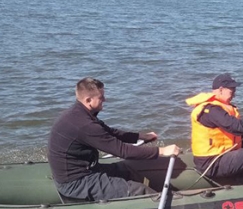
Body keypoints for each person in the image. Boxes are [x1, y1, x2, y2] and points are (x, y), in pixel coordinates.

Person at [48, 77, 181, 201]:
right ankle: (165, 204)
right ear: (88, 100)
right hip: (75, 182)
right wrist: (161, 151)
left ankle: (164, 194)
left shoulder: (79, 113)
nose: (104, 99)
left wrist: (140, 137)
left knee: (127, 170)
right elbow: (123, 151)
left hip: (87, 171)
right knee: (139, 190)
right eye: (101, 97)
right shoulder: (84, 124)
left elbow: (109, 132)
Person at [185, 73, 243, 185]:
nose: (234, 95)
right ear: (221, 90)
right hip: (211, 163)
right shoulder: (211, 110)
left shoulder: (219, 108)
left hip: (220, 156)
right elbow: (238, 128)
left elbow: (238, 133)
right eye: (232, 91)